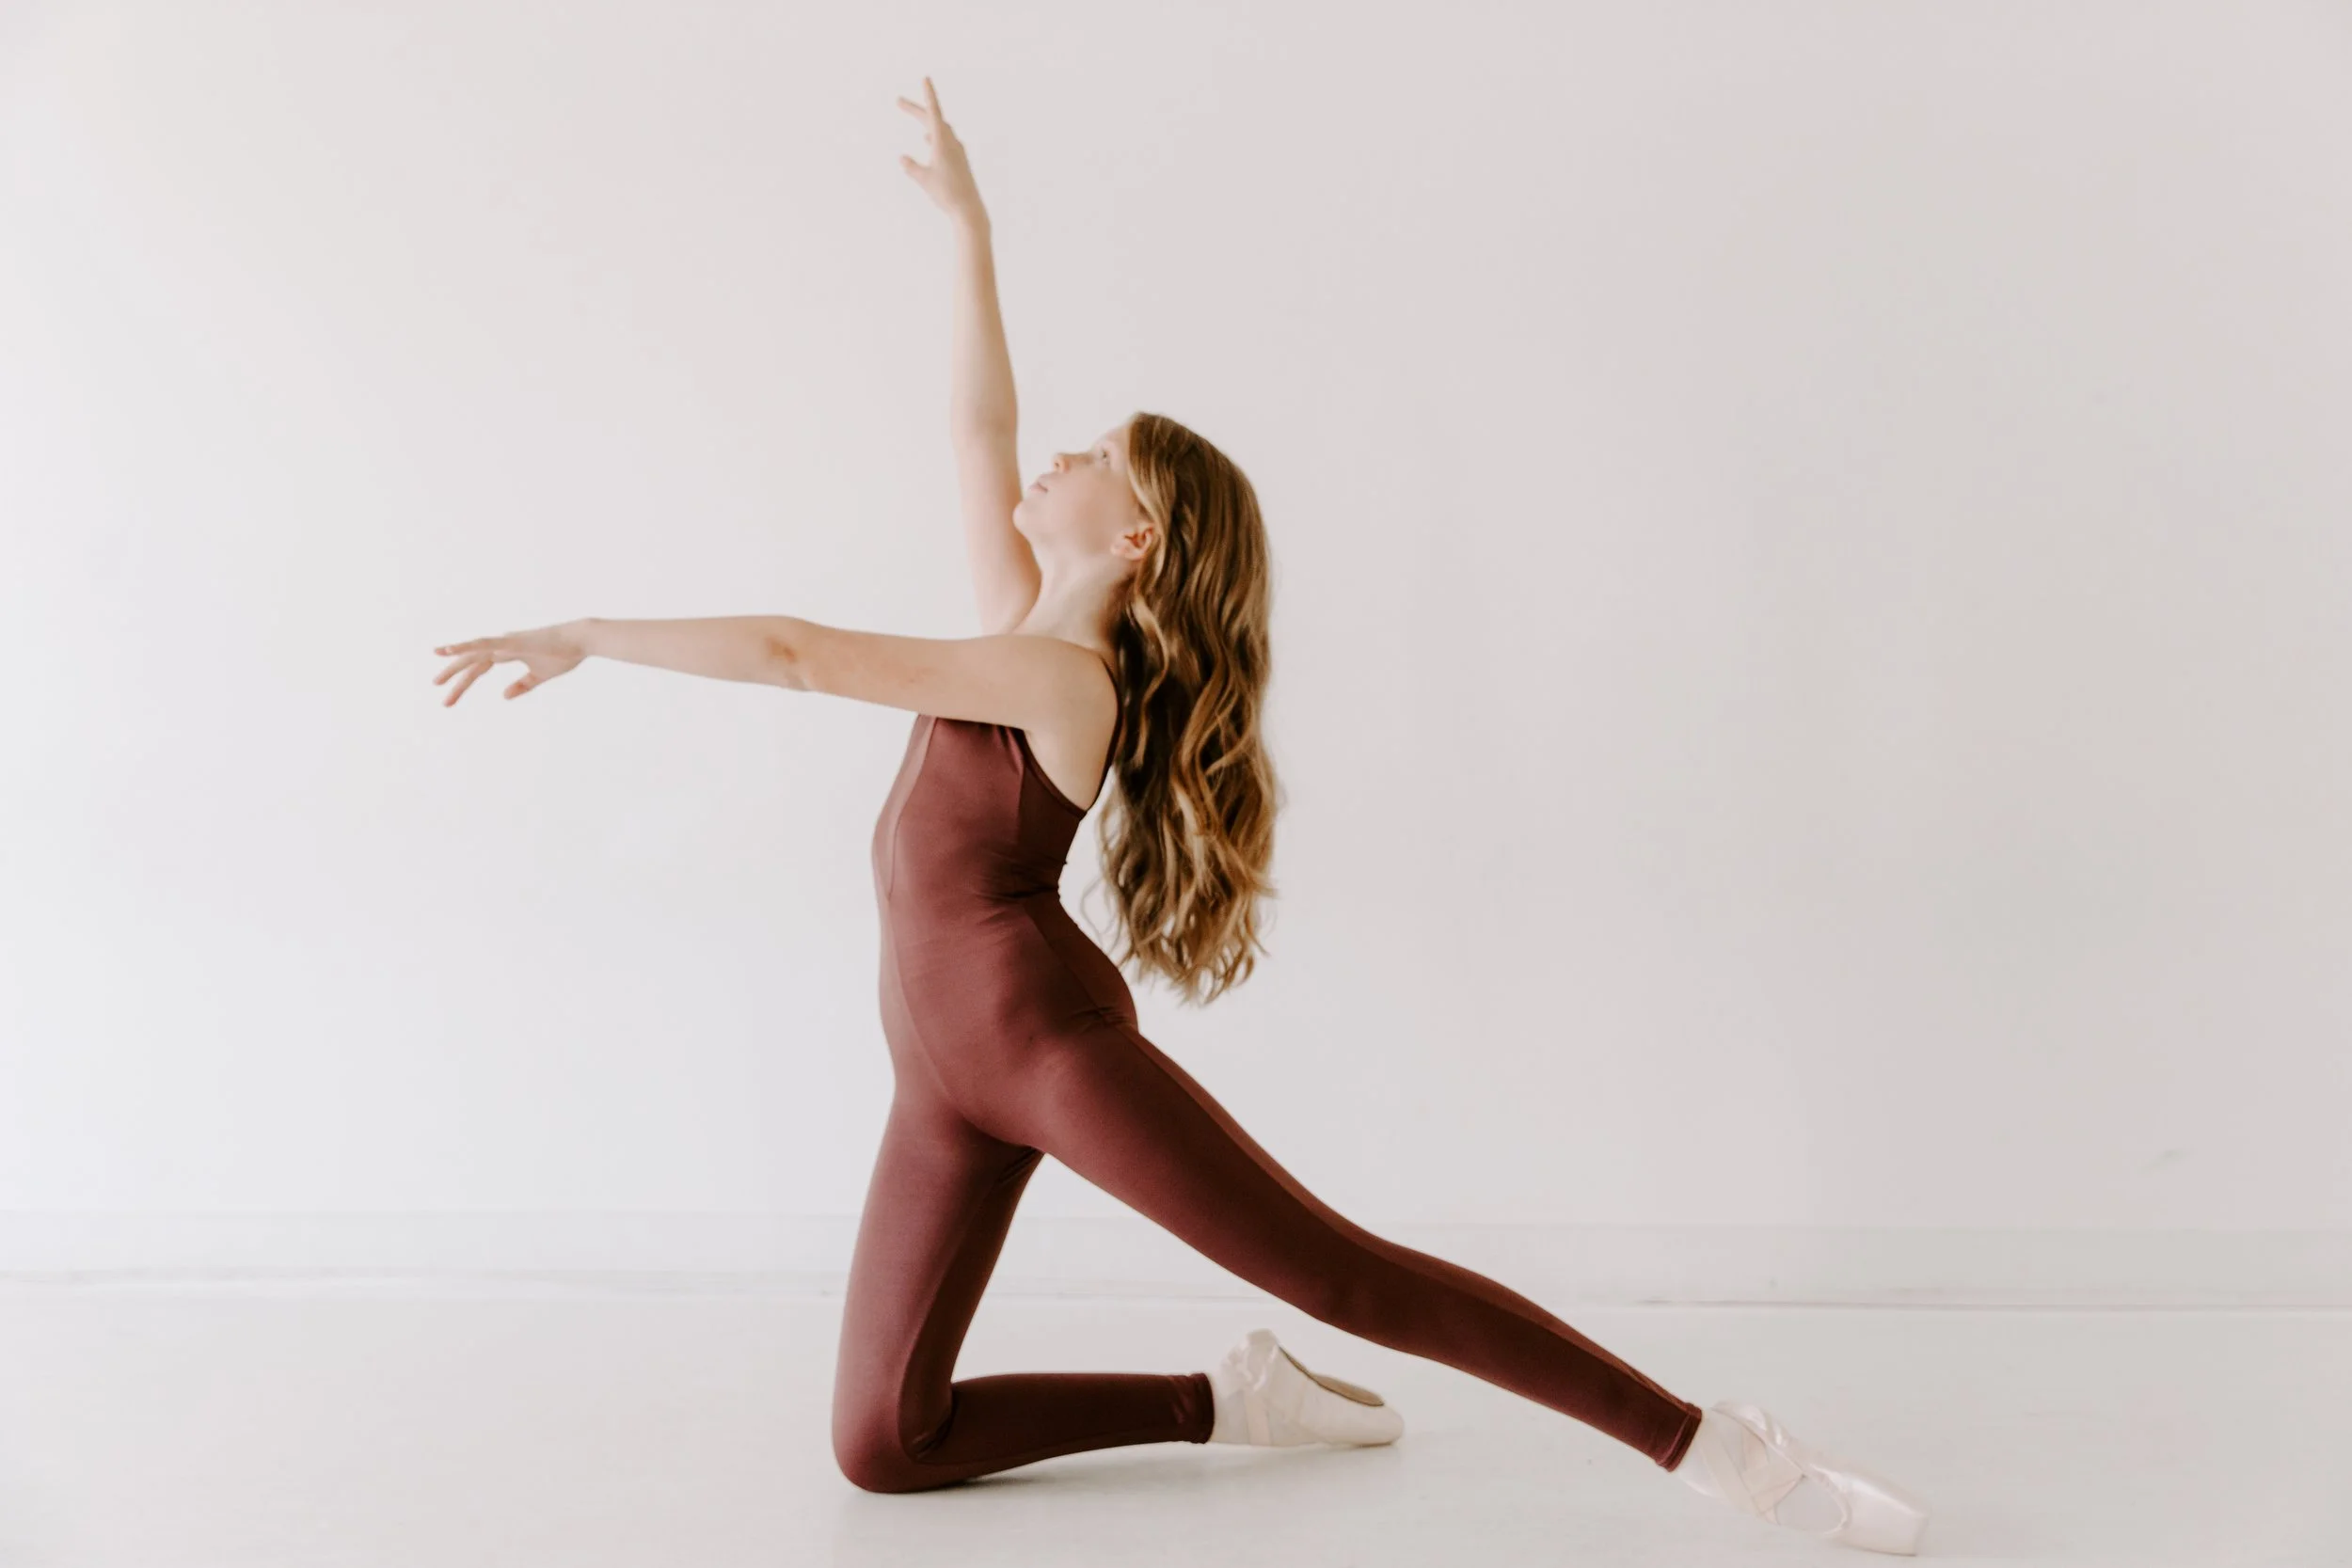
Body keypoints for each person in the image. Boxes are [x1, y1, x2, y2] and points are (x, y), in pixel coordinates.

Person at [423, 76, 1931, 1557]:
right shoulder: (1022, 623)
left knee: (1343, 1273)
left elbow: (798, 653)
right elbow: (977, 429)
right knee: (885, 1441)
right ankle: (1230, 1402)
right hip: (938, 1070)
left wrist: (589, 630)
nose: (1058, 457)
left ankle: (1712, 1444)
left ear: (1137, 536)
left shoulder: (1060, 680)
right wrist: (970, 230)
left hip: (1039, 1047)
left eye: (1098, 458)